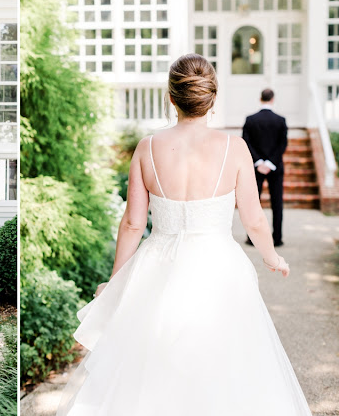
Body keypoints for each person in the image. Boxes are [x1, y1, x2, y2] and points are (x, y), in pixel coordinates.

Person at [56, 54, 311, 415]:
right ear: (212, 98)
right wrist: (272, 257)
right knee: (227, 367)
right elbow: (253, 220)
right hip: (220, 268)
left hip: (157, 267)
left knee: (150, 369)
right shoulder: (234, 149)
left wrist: (115, 282)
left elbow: (132, 223)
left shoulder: (147, 148)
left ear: (171, 98)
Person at [242, 88, 288, 247]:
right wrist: (270, 163)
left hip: (256, 168)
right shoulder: (280, 120)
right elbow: (283, 144)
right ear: (272, 99)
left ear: (260, 98)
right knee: (277, 204)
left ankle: (252, 238)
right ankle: (277, 238)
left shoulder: (250, 119)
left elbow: (246, 143)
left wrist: (259, 162)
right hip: (275, 167)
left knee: (253, 203)